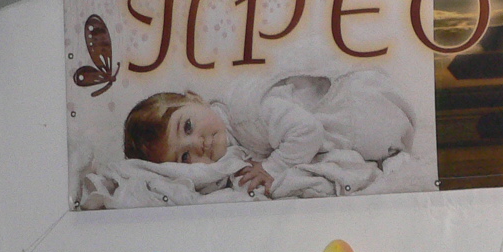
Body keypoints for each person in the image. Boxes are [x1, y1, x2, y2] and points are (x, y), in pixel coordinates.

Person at [121, 63, 413, 199]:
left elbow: (307, 130)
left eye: (187, 126)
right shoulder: (229, 134)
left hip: (365, 105)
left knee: (365, 142)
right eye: (184, 157)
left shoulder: (246, 114)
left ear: (196, 99)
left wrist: (273, 167)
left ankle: (390, 150)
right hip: (356, 110)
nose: (197, 144)